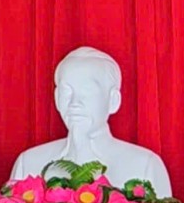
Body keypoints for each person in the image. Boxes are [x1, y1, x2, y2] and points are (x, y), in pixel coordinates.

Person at [10, 46, 173, 194]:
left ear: (113, 100)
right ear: (56, 98)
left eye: (87, 90)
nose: (74, 102)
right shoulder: (29, 163)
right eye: (66, 91)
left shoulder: (145, 165)